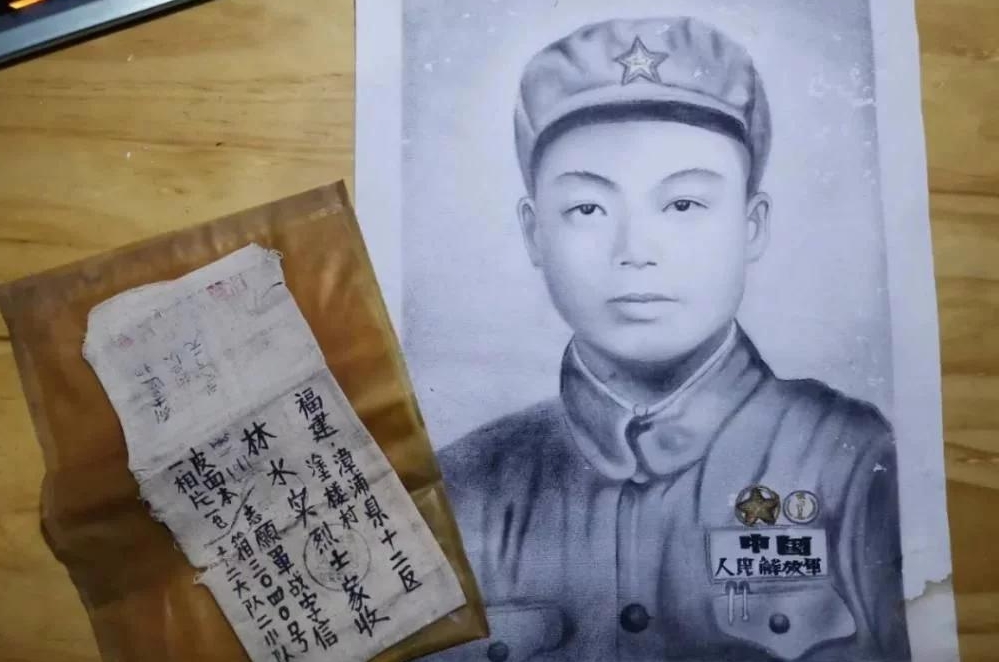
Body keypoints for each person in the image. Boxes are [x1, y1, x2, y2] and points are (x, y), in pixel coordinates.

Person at [430, 16, 910, 662]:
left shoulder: (847, 458)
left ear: (751, 225)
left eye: (683, 205)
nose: (635, 251)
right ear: (533, 232)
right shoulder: (463, 489)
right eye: (588, 209)